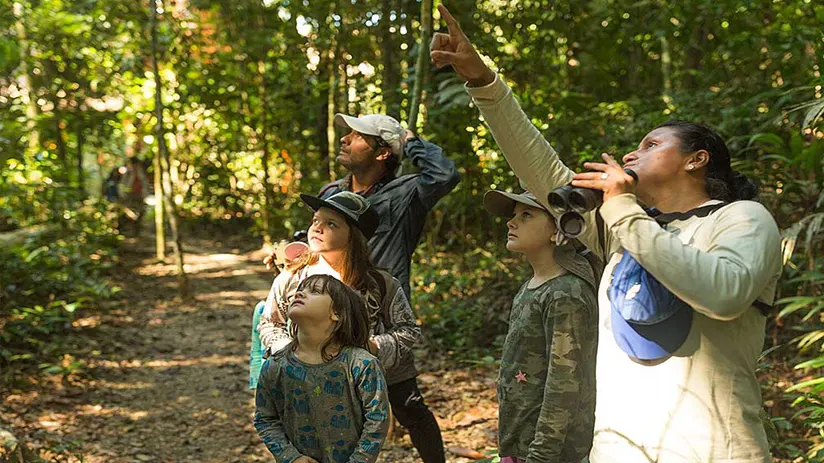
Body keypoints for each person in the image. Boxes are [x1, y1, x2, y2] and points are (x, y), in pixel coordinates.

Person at [431, 6, 782, 463]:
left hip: (713, 450)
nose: (632, 155)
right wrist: (480, 78)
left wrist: (620, 206)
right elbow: (539, 168)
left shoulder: (742, 219)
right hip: (619, 450)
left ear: (696, 160)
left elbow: (723, 294)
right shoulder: (624, 226)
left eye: (651, 145)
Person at [258, 191, 445, 463]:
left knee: (413, 413)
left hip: (375, 367)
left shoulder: (379, 283)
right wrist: (291, 352)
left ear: (353, 235)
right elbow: (269, 322)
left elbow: (408, 329)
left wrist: (374, 347)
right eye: (315, 221)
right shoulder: (292, 278)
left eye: (331, 223)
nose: (317, 228)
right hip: (309, 373)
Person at [483, 190, 599, 463]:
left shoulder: (566, 293)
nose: (511, 223)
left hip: (551, 452)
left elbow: (564, 385)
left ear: (557, 232)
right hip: (520, 441)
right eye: (513, 216)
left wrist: (541, 455)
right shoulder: (531, 287)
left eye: (526, 215)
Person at [317, 113, 460, 298]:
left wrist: (410, 141)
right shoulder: (331, 193)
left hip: (381, 312)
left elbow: (445, 175)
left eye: (358, 135)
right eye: (349, 133)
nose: (344, 139)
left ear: (382, 153)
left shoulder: (406, 195)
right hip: (328, 306)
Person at [254, 274, 390, 463]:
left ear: (337, 314)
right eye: (299, 290)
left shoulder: (362, 364)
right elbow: (265, 419)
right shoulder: (275, 366)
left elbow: (377, 419)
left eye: (315, 291)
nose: (300, 293)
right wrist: (290, 457)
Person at [118, 157, 149, 235]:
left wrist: (145, 194)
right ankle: (123, 230)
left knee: (140, 212)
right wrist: (122, 193)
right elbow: (122, 184)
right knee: (128, 212)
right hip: (129, 195)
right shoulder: (128, 173)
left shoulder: (141, 173)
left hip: (139, 195)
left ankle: (136, 230)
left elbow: (145, 183)